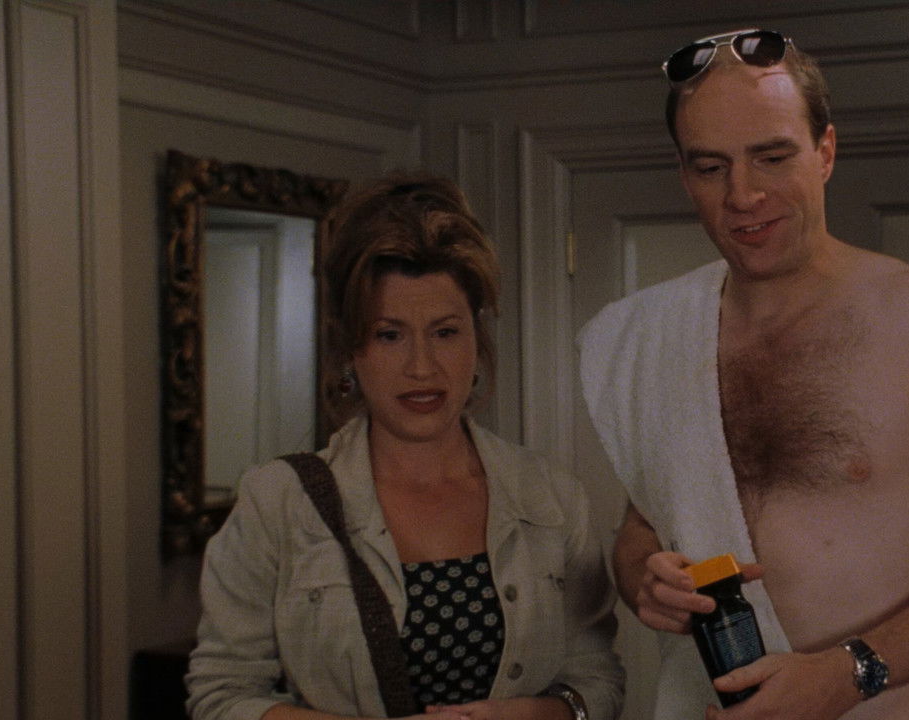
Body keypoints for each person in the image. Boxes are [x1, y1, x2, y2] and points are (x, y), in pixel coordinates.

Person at [577, 29, 909, 720]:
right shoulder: (654, 334)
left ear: (824, 151)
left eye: (771, 158)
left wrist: (846, 674)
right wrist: (643, 580)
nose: (743, 195)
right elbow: (647, 523)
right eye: (711, 167)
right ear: (684, 175)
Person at [187, 173, 624, 720]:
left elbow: (597, 683)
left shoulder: (551, 497)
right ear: (353, 348)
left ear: (477, 339)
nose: (422, 367)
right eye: (389, 335)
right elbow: (220, 696)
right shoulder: (277, 502)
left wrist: (527, 715)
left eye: (445, 332)